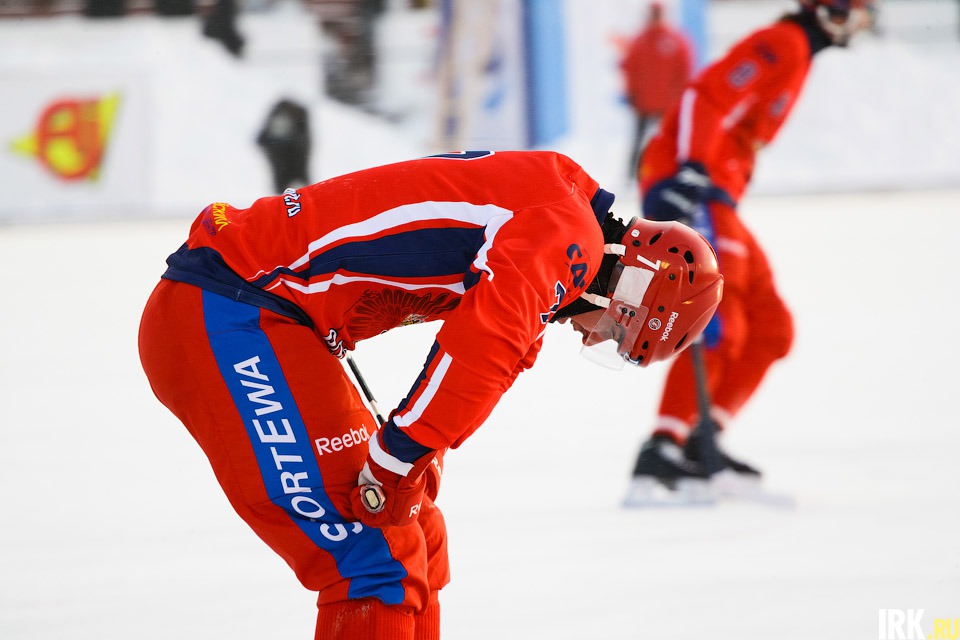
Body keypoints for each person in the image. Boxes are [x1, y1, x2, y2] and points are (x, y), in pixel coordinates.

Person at [138, 150, 723, 639]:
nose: (593, 336)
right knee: (374, 558)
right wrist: (399, 455)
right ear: (635, 284)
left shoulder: (562, 215)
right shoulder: (565, 233)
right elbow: (482, 349)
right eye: (619, 329)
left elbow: (503, 357)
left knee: (417, 530)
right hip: (228, 310)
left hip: (253, 309)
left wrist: (414, 459)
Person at [626, 0, 875, 499]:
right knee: (720, 318)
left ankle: (702, 440)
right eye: (856, 12)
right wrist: (691, 169)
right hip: (695, 186)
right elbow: (705, 95)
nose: (861, 24)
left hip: (718, 194)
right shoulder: (783, 43)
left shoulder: (799, 53)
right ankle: (664, 449)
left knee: (771, 328)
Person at [619, 1, 694, 180]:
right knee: (642, 140)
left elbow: (684, 71)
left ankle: (669, 172)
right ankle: (634, 174)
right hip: (648, 103)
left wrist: (680, 97)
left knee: (669, 141)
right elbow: (631, 69)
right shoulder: (643, 40)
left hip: (664, 104)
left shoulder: (673, 40)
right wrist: (632, 94)